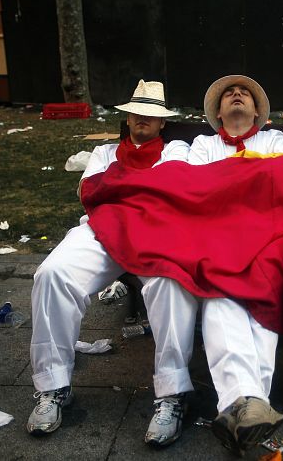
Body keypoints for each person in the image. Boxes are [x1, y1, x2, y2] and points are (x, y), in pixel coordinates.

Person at [27, 80, 196, 448]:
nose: (143, 119)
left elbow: (174, 193)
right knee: (52, 274)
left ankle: (172, 393)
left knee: (170, 283)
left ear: (162, 122)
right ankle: (53, 387)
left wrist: (121, 184)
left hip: (156, 232)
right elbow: (90, 194)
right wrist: (144, 186)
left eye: (151, 114)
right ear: (127, 116)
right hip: (103, 230)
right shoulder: (104, 151)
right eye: (137, 112)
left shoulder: (177, 149)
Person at [188, 75, 283, 454]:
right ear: (218, 112)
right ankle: (254, 407)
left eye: (243, 93)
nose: (236, 94)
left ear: (258, 112)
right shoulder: (202, 144)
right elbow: (194, 189)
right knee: (217, 300)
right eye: (229, 93)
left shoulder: (274, 141)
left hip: (265, 237)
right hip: (216, 238)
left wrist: (230, 183)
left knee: (263, 303)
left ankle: (240, 404)